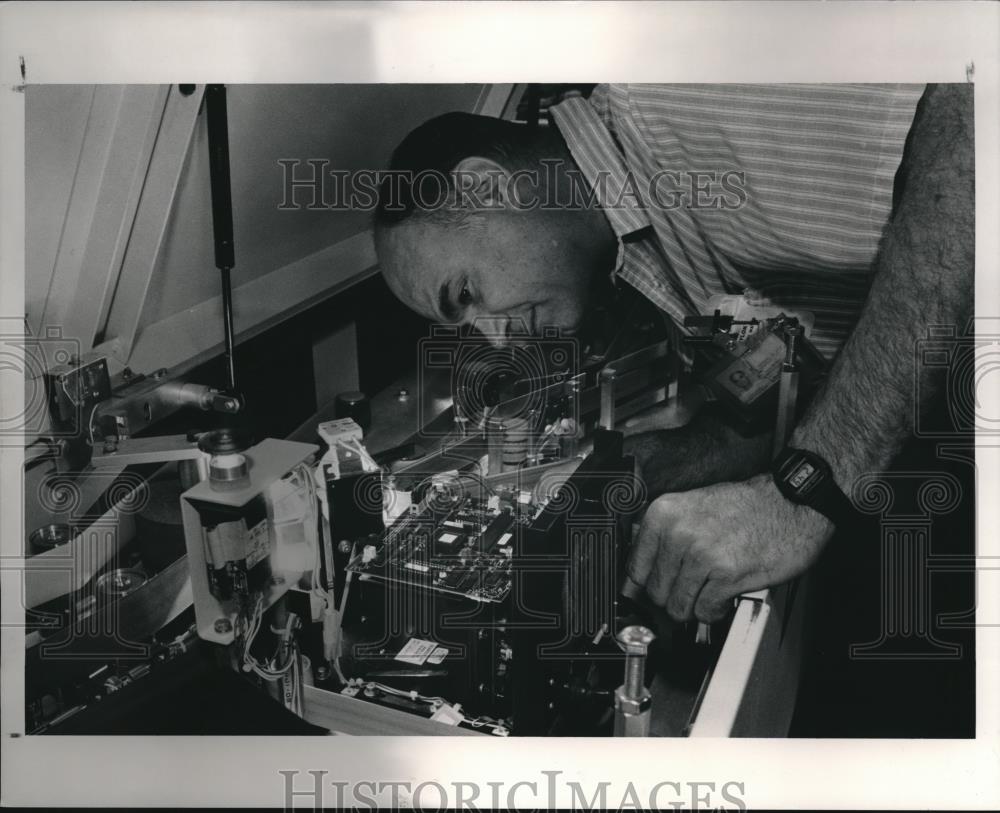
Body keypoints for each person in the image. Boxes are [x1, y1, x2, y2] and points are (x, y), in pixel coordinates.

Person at [372, 83, 974, 625]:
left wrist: (808, 491)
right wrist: (639, 469)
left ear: (487, 186)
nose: (497, 340)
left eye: (466, 295)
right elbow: (799, 378)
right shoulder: (639, 257)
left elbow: (973, 103)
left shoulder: (677, 94)